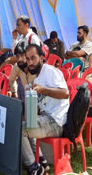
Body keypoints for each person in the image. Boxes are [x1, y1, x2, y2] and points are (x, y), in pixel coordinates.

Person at [22, 44, 69, 175]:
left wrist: (43, 90)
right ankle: (41, 161)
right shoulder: (37, 78)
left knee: (20, 129)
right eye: (28, 59)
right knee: (25, 124)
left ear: (42, 58)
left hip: (56, 122)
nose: (30, 62)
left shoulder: (50, 72)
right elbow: (38, 108)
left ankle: (34, 168)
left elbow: (65, 93)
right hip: (46, 119)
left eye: (33, 58)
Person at [8, 42, 49, 172]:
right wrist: (13, 93)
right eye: (17, 56)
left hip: (41, 101)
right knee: (25, 125)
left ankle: (35, 163)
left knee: (27, 126)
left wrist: (32, 110)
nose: (20, 59)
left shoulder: (36, 68)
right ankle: (38, 159)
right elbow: (11, 80)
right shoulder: (17, 67)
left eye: (22, 56)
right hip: (27, 97)